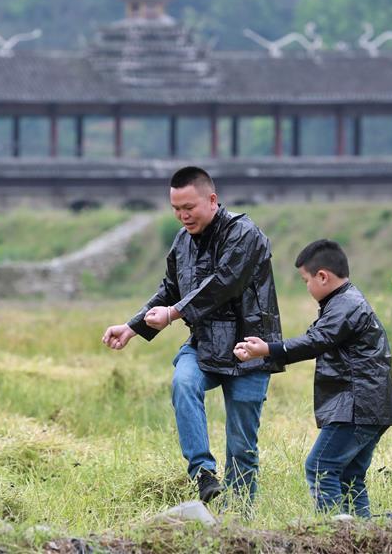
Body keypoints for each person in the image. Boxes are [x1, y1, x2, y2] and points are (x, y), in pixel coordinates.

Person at [102, 166, 283, 506]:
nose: (183, 216)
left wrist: (173, 314)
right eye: (176, 209)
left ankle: (239, 519)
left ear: (212, 200)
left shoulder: (245, 234)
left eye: (189, 207)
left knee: (241, 445)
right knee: (183, 383)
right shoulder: (182, 242)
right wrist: (131, 327)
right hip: (203, 344)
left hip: (251, 348)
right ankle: (202, 472)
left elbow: (223, 282)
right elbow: (169, 289)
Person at [234, 239, 392, 518]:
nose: (307, 287)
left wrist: (267, 350)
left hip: (358, 405)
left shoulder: (346, 304)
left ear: (323, 276)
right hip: (371, 405)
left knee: (321, 466)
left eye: (305, 280)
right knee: (349, 476)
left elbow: (316, 341)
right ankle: (362, 536)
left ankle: (334, 535)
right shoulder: (345, 301)